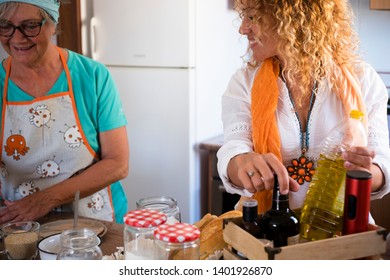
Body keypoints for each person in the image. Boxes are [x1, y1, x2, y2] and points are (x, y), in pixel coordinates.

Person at [217, 0, 390, 215]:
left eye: (252, 16)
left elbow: (383, 164)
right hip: (264, 231)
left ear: (293, 18)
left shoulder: (363, 79)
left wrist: (365, 171)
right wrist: (241, 161)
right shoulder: (244, 81)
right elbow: (234, 148)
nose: (243, 28)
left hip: (341, 231)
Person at [0, 0, 129, 224]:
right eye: (5, 25)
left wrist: (45, 199)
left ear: (52, 24)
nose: (17, 38)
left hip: (95, 225)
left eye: (30, 26)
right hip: (21, 228)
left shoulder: (93, 76)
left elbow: (118, 163)